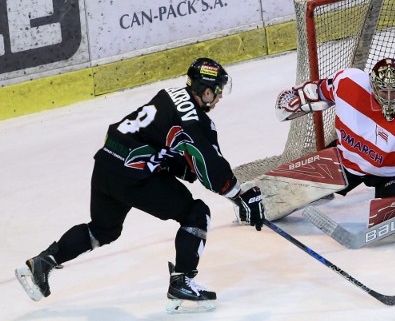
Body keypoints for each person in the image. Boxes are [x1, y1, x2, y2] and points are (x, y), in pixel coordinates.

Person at [15, 58, 265, 314]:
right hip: (131, 175)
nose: (220, 97)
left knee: (103, 230)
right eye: (219, 90)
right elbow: (210, 166)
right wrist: (238, 195)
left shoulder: (170, 94)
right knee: (196, 214)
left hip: (106, 163)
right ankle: (182, 282)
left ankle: (43, 262)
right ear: (206, 89)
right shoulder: (194, 120)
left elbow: (162, 141)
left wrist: (180, 166)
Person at [281, 58, 395, 199]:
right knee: (290, 191)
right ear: (372, 84)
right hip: (348, 159)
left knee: (394, 221)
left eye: (394, 91)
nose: (388, 97)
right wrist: (297, 98)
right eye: (382, 90)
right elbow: (319, 90)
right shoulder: (350, 82)